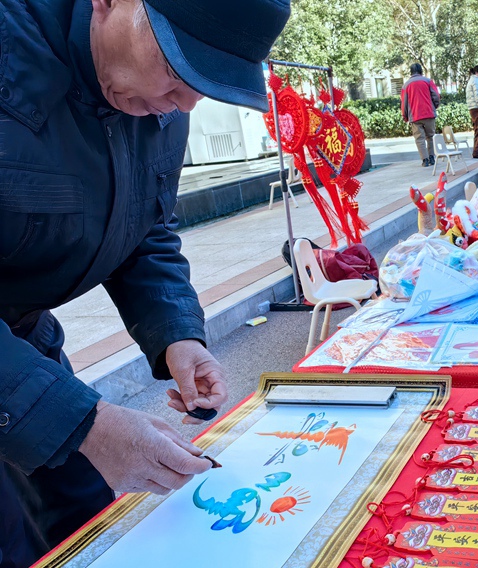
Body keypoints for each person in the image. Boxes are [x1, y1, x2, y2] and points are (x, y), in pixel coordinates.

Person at [0, 0, 290, 565]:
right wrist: (85, 423)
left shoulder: (156, 100)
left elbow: (146, 228)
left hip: (25, 344)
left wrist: (177, 335)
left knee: (84, 521)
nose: (184, 103)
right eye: (180, 69)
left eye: (206, 86)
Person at [400, 63, 441, 167]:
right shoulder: (428, 81)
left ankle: (425, 160)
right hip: (429, 113)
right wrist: (434, 106)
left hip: (415, 116)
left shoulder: (406, 85)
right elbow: (436, 95)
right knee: (430, 137)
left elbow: (404, 102)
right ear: (421, 71)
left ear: (411, 72)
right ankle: (432, 157)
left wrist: (405, 116)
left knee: (419, 139)